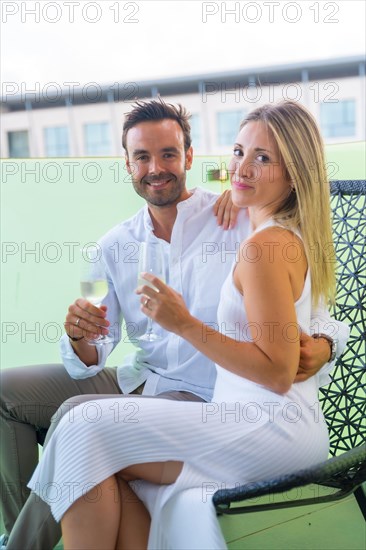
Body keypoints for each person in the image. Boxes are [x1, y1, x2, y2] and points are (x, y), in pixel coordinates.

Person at [0, 99, 347, 550]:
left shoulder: (235, 217)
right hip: (144, 380)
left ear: (189, 157)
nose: (155, 167)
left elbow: (309, 307)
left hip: (207, 394)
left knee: (76, 421)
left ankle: (25, 544)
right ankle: (19, 530)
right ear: (127, 164)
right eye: (142, 157)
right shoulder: (110, 246)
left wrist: (325, 340)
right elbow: (91, 354)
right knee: (8, 393)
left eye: (168, 154)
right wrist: (79, 337)